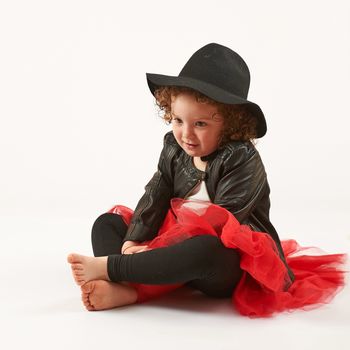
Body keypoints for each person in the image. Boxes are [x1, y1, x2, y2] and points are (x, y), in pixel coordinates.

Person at [67, 43, 347, 317]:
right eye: (178, 120)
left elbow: (221, 222)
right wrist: (133, 241)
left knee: (207, 249)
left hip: (218, 263)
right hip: (167, 254)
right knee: (107, 223)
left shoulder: (242, 158)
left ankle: (115, 272)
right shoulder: (174, 149)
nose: (186, 134)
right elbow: (156, 194)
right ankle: (125, 287)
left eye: (200, 124)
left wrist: (150, 251)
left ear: (231, 125)